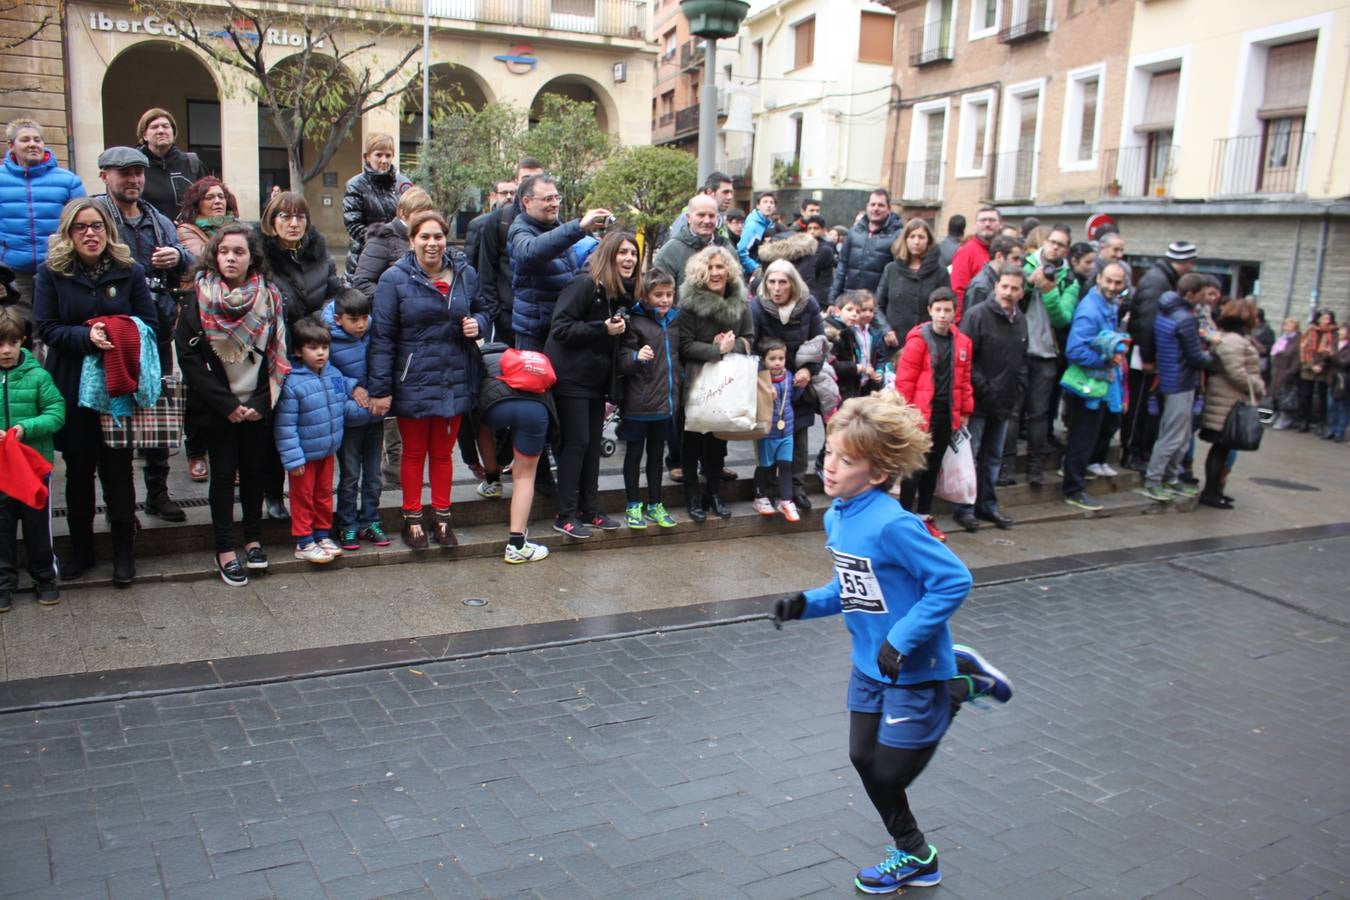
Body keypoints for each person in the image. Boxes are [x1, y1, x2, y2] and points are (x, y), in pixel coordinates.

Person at [770, 391, 1012, 895]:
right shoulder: (838, 516)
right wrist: (806, 604)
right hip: (869, 666)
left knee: (890, 771)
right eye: (828, 453)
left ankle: (957, 684)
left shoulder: (895, 524)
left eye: (846, 460)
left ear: (878, 474)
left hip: (912, 668)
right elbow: (854, 588)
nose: (830, 467)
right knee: (865, 761)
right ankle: (918, 856)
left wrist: (901, 639)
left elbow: (953, 580)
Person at [32, 198, 158, 586]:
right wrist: (86, 335)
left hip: (116, 388)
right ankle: (81, 550)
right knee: (79, 471)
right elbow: (46, 328)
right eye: (82, 227)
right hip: (70, 384)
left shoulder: (129, 271)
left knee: (118, 470)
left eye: (97, 226)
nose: (91, 233)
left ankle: (123, 552)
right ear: (69, 233)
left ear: (109, 231)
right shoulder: (51, 273)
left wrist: (117, 330)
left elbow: (149, 323)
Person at [176, 223, 288, 587]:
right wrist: (226, 404)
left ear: (251, 257)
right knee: (223, 476)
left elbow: (276, 352)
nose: (230, 258)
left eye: (238, 252)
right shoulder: (198, 296)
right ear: (215, 255)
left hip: (257, 402)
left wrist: (258, 401)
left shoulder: (269, 296)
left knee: (254, 473)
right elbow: (189, 359)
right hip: (217, 407)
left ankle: (253, 539)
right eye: (224, 251)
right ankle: (225, 548)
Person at [368, 210, 488, 550]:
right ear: (411, 241)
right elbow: (382, 338)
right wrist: (380, 389)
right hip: (414, 379)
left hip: (455, 375)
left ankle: (442, 519)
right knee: (414, 453)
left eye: (438, 237)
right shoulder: (394, 279)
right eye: (424, 237)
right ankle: (413, 521)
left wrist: (478, 323)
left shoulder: (464, 273)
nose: (432, 243)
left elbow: (483, 310)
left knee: (442, 455)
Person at [94, 145, 193, 525]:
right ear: (105, 176)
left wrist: (177, 257)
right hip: (113, 333)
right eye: (125, 174)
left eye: (138, 173)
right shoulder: (94, 217)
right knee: (116, 418)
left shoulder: (157, 218)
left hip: (156, 330)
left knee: (158, 413)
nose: (134, 180)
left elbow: (188, 256)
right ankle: (122, 503)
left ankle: (158, 493)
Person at [544, 231, 636, 539]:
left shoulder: (619, 292)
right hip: (570, 378)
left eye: (633, 253)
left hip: (596, 380)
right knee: (577, 444)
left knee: (593, 445)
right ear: (609, 255)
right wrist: (603, 329)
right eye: (622, 252)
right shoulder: (584, 283)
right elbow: (561, 328)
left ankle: (591, 508)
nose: (629, 259)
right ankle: (565, 514)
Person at [679, 245, 754, 522]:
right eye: (709, 267)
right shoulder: (688, 305)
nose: (715, 272)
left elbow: (749, 339)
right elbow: (684, 345)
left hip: (728, 383)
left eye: (720, 267)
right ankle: (692, 497)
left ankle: (714, 494)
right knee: (692, 443)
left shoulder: (740, 303)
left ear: (729, 270)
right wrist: (716, 349)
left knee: (716, 444)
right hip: (697, 382)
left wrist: (732, 347)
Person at [950, 265, 1027, 532]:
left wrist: (1017, 390)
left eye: (1014, 288)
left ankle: (988, 503)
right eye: (1004, 286)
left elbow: (1021, 361)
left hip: (1005, 402)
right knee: (970, 456)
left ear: (1021, 292)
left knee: (993, 457)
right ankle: (965, 507)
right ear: (996, 287)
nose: (1008, 292)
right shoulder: (977, 316)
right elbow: (965, 360)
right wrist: (986, 391)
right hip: (978, 401)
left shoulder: (1021, 320)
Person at [1003, 223, 1078, 487]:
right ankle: (1007, 467)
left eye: (1061, 244)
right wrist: (1031, 284)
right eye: (1052, 242)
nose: (1055, 247)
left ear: (1066, 249)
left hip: (1047, 354)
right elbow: (1011, 302)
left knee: (1039, 414)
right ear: (1045, 242)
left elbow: (1062, 318)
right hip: (1019, 350)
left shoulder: (1069, 279)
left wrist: (1049, 290)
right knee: (1012, 413)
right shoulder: (1025, 266)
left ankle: (1035, 467)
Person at [0, 307, 64, 611]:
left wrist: (27, 428)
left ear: (23, 342)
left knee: (38, 527)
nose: (6, 350)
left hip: (33, 466)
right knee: (2, 527)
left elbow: (56, 413)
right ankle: (3, 583)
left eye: (12, 343)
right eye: (0, 344)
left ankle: (45, 577)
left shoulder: (38, 376)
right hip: (2, 470)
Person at [895, 288, 973, 541]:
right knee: (914, 467)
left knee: (933, 466)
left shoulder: (962, 343)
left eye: (947, 310)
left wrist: (964, 411)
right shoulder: (919, 340)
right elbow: (905, 380)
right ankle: (904, 516)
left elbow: (963, 380)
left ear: (954, 313)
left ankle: (924, 515)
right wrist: (904, 412)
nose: (942, 315)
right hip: (920, 415)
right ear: (930, 311)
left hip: (945, 413)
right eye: (937, 310)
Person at [471, 342, 558, 563]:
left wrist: (471, 461)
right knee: (525, 476)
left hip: (494, 407)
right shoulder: (522, 357)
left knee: (482, 424)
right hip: (536, 409)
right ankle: (517, 544)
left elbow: (469, 418)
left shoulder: (477, 361)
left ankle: (492, 483)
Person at [752, 258, 824, 511]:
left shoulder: (808, 304)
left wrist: (809, 369)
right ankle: (768, 490)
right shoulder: (759, 306)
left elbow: (819, 341)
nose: (777, 288)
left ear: (793, 284)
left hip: (799, 379)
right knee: (769, 439)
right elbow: (751, 345)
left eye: (783, 282)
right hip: (770, 382)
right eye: (771, 282)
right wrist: (763, 378)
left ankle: (796, 488)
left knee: (799, 435)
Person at [274, 316, 348, 563]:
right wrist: (293, 458)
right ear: (298, 350)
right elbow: (285, 424)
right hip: (303, 454)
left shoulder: (333, 373)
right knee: (303, 496)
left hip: (327, 449)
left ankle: (321, 533)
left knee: (324, 493)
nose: (320, 353)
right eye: (313, 348)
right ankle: (304, 539)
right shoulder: (292, 382)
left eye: (324, 348)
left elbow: (342, 403)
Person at [507, 173, 610, 352]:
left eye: (556, 197)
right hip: (535, 332)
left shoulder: (557, 226)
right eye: (547, 199)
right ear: (527, 201)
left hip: (561, 324)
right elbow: (530, 253)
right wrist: (578, 227)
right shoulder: (519, 229)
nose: (555, 204)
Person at [321, 288, 389, 551]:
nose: (361, 325)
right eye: (354, 319)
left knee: (373, 474)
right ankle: (347, 524)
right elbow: (326, 371)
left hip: (374, 415)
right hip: (349, 420)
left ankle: (370, 520)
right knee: (349, 475)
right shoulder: (328, 337)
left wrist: (379, 392)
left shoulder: (373, 330)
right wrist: (352, 386)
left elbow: (383, 359)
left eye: (364, 318)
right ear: (339, 319)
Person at [1061, 262, 1131, 511]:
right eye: (1109, 281)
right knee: (1082, 437)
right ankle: (1073, 488)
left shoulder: (1109, 305)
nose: (1113, 287)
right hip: (1086, 384)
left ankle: (1075, 479)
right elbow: (1075, 349)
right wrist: (1106, 360)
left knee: (1090, 434)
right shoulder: (1090, 310)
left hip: (1098, 384)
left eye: (1118, 283)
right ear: (1099, 278)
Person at [1122, 241, 1197, 469]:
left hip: (1148, 354)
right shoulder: (1158, 282)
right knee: (1138, 407)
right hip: (1143, 356)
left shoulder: (1161, 279)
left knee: (1144, 407)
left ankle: (1138, 451)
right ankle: (1131, 452)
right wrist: (1148, 357)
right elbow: (1146, 322)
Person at [616, 269, 681, 530]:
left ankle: (655, 503)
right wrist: (635, 356)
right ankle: (633, 503)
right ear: (645, 296)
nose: (665, 300)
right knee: (634, 455)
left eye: (669, 294)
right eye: (658, 295)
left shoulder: (676, 321)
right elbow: (621, 359)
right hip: (638, 403)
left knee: (656, 455)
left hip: (665, 404)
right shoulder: (634, 322)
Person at [1142, 273, 1215, 502]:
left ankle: (1170, 478)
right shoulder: (1184, 318)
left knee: (1177, 435)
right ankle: (1155, 480)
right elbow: (1195, 358)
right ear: (1190, 294)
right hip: (1180, 381)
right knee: (1174, 436)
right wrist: (1215, 351)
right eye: (1202, 294)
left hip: (1170, 378)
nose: (1204, 299)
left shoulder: (1166, 311)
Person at [1, 119, 87, 311]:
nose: (33, 144)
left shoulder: (68, 181)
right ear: (11, 146)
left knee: (52, 329)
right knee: (17, 331)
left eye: (37, 140)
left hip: (58, 270)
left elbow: (84, 223)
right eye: (25, 139)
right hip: (13, 273)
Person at [1198, 299, 1262, 508]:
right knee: (1221, 447)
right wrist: (1257, 385)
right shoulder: (1234, 341)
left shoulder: (1231, 338)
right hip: (1228, 400)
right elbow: (1236, 372)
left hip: (1227, 399)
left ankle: (1215, 491)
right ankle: (1211, 493)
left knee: (1223, 448)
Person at [477, 157, 545, 347]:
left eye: (538, 179)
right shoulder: (499, 220)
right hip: (507, 319)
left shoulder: (556, 223)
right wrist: (497, 314)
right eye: (526, 178)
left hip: (545, 318)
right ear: (517, 182)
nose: (532, 184)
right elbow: (486, 271)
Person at [260, 191, 343, 329]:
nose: (294, 224)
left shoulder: (321, 256)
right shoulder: (258, 258)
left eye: (300, 217)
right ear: (271, 220)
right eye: (286, 217)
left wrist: (317, 321)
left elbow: (334, 294)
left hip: (315, 337)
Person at [750, 338, 805, 522]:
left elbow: (792, 398)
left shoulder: (789, 376)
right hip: (767, 432)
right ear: (763, 360)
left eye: (781, 358)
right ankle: (760, 497)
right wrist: (764, 387)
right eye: (772, 358)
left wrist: (801, 389)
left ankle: (786, 500)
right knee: (765, 466)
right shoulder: (759, 380)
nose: (777, 362)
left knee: (786, 465)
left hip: (786, 430)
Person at [351, 187, 436, 301]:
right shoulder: (382, 238)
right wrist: (394, 302)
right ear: (403, 213)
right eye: (419, 213)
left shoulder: (428, 238)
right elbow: (362, 283)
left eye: (427, 215)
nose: (424, 219)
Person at [342, 133, 408, 277]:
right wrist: (383, 242)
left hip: (399, 257)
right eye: (378, 155)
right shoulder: (356, 185)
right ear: (367, 157)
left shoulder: (403, 183)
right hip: (366, 257)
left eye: (388, 155)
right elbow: (354, 225)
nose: (384, 160)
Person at [875, 218, 949, 343]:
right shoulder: (891, 269)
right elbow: (877, 305)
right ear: (905, 240)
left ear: (928, 241)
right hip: (895, 341)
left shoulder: (940, 273)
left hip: (927, 342)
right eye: (912, 236)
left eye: (921, 237)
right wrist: (886, 329)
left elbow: (946, 307)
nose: (916, 241)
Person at [829, 189, 903, 312]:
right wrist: (832, 300)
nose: (876, 208)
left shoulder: (897, 235)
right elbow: (841, 267)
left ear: (889, 209)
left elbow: (896, 275)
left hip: (875, 307)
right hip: (849, 303)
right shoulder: (854, 232)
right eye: (873, 204)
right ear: (867, 207)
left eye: (881, 205)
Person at [135, 108, 208, 220]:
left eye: (165, 126)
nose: (161, 131)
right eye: (154, 127)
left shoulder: (192, 163)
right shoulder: (135, 165)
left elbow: (208, 200)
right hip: (147, 234)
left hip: (185, 234)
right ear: (144, 135)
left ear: (173, 132)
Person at [653, 193, 724, 293]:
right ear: (688, 217)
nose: (707, 220)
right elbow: (659, 296)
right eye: (701, 215)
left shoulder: (726, 248)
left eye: (711, 216)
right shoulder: (670, 252)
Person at [831, 291, 889, 403]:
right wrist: (860, 368)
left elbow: (881, 357)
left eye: (871, 310)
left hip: (867, 383)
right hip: (849, 383)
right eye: (863, 310)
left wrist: (879, 371)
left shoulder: (875, 333)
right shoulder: (847, 331)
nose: (868, 314)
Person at [950, 206, 1000, 317]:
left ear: (1000, 224)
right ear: (976, 224)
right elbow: (957, 290)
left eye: (992, 220)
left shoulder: (1004, 249)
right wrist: (959, 323)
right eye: (983, 220)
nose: (987, 224)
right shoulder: (966, 252)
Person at [175, 177, 240, 260]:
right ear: (196, 205)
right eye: (209, 197)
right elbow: (203, 259)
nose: (217, 201)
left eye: (221, 197)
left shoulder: (238, 225)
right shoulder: (186, 230)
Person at [1298, 310, 1338, 434]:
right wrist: (1311, 365)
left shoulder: (1334, 333)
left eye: (1328, 318)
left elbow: (1333, 350)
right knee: (1306, 396)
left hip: (1325, 369)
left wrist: (1321, 365)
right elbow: (1303, 349)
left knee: (1322, 397)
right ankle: (1305, 422)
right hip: (1308, 368)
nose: (1326, 321)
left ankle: (1321, 424)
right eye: (1324, 318)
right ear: (1318, 319)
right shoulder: (1310, 331)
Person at [961, 234, 1024, 313]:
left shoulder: (993, 280)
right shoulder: (981, 287)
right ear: (999, 256)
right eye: (1015, 259)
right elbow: (974, 320)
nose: (1019, 264)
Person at [669, 171, 735, 243]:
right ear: (710, 192)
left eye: (731, 192)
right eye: (725, 192)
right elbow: (675, 246)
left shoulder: (720, 218)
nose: (730, 197)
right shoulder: (686, 217)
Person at [1269, 317, 1304, 430]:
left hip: (1287, 372)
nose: (1286, 328)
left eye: (1289, 326)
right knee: (1276, 395)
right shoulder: (1283, 339)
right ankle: (1276, 414)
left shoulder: (1298, 341)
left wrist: (1290, 372)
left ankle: (1285, 418)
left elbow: (1297, 359)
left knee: (1286, 397)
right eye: (1285, 325)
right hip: (1277, 371)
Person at [736, 191, 778, 276]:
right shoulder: (753, 225)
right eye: (765, 202)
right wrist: (756, 269)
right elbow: (741, 251)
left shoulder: (770, 224)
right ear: (758, 206)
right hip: (751, 275)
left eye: (771, 202)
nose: (768, 205)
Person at [1325, 322, 1350, 442]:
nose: (1340, 332)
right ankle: (1331, 430)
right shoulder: (1334, 343)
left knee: (1343, 407)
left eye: (1343, 330)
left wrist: (1332, 355)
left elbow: (1345, 363)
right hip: (1333, 378)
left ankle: (1340, 432)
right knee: (1331, 406)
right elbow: (1329, 361)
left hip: (1344, 381)